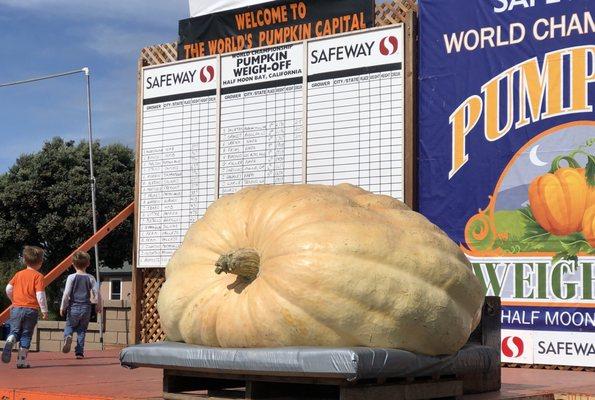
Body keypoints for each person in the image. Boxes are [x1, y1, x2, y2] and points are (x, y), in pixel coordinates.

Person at [2, 246, 48, 368]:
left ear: (24, 260)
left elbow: (8, 289)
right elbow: (40, 295)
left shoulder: (18, 274)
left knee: (15, 331)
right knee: (26, 335)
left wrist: (13, 300)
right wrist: (44, 310)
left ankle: (10, 339)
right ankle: (21, 361)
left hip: (16, 308)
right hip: (31, 310)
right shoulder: (38, 276)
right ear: (40, 262)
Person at [60, 251, 102, 359]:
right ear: (88, 264)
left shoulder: (71, 277)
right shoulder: (91, 278)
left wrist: (62, 306)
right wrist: (98, 305)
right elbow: (97, 292)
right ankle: (79, 352)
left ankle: (68, 336)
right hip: (86, 308)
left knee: (69, 325)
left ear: (73, 264)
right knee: (82, 330)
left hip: (73, 307)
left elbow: (66, 293)